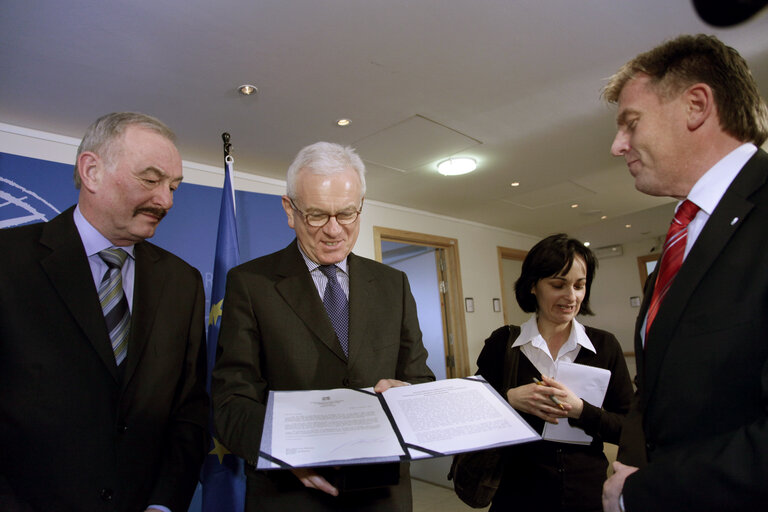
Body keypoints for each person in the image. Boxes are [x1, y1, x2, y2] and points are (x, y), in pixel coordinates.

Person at [0, 112, 209, 512]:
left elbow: (189, 412)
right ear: (92, 171)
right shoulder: (8, 262)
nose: (165, 200)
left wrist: (163, 504)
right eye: (150, 180)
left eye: (173, 186)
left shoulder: (183, 283)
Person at [211, 141, 435, 511]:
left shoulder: (394, 284)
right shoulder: (250, 284)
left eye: (347, 214)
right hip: (287, 494)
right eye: (316, 215)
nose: (334, 231)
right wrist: (288, 452)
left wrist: (407, 395)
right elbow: (232, 402)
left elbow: (419, 380)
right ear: (290, 210)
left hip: (382, 494)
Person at [601, 34, 768, 512]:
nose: (618, 146)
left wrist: (645, 494)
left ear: (696, 106)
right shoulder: (684, 235)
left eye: (631, 123)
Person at [475, 234, 632, 512]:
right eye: (558, 285)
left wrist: (581, 410)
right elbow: (471, 414)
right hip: (516, 494)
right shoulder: (503, 344)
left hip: (585, 494)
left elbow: (628, 429)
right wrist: (508, 398)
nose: (571, 297)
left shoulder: (604, 346)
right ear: (533, 286)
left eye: (580, 286)